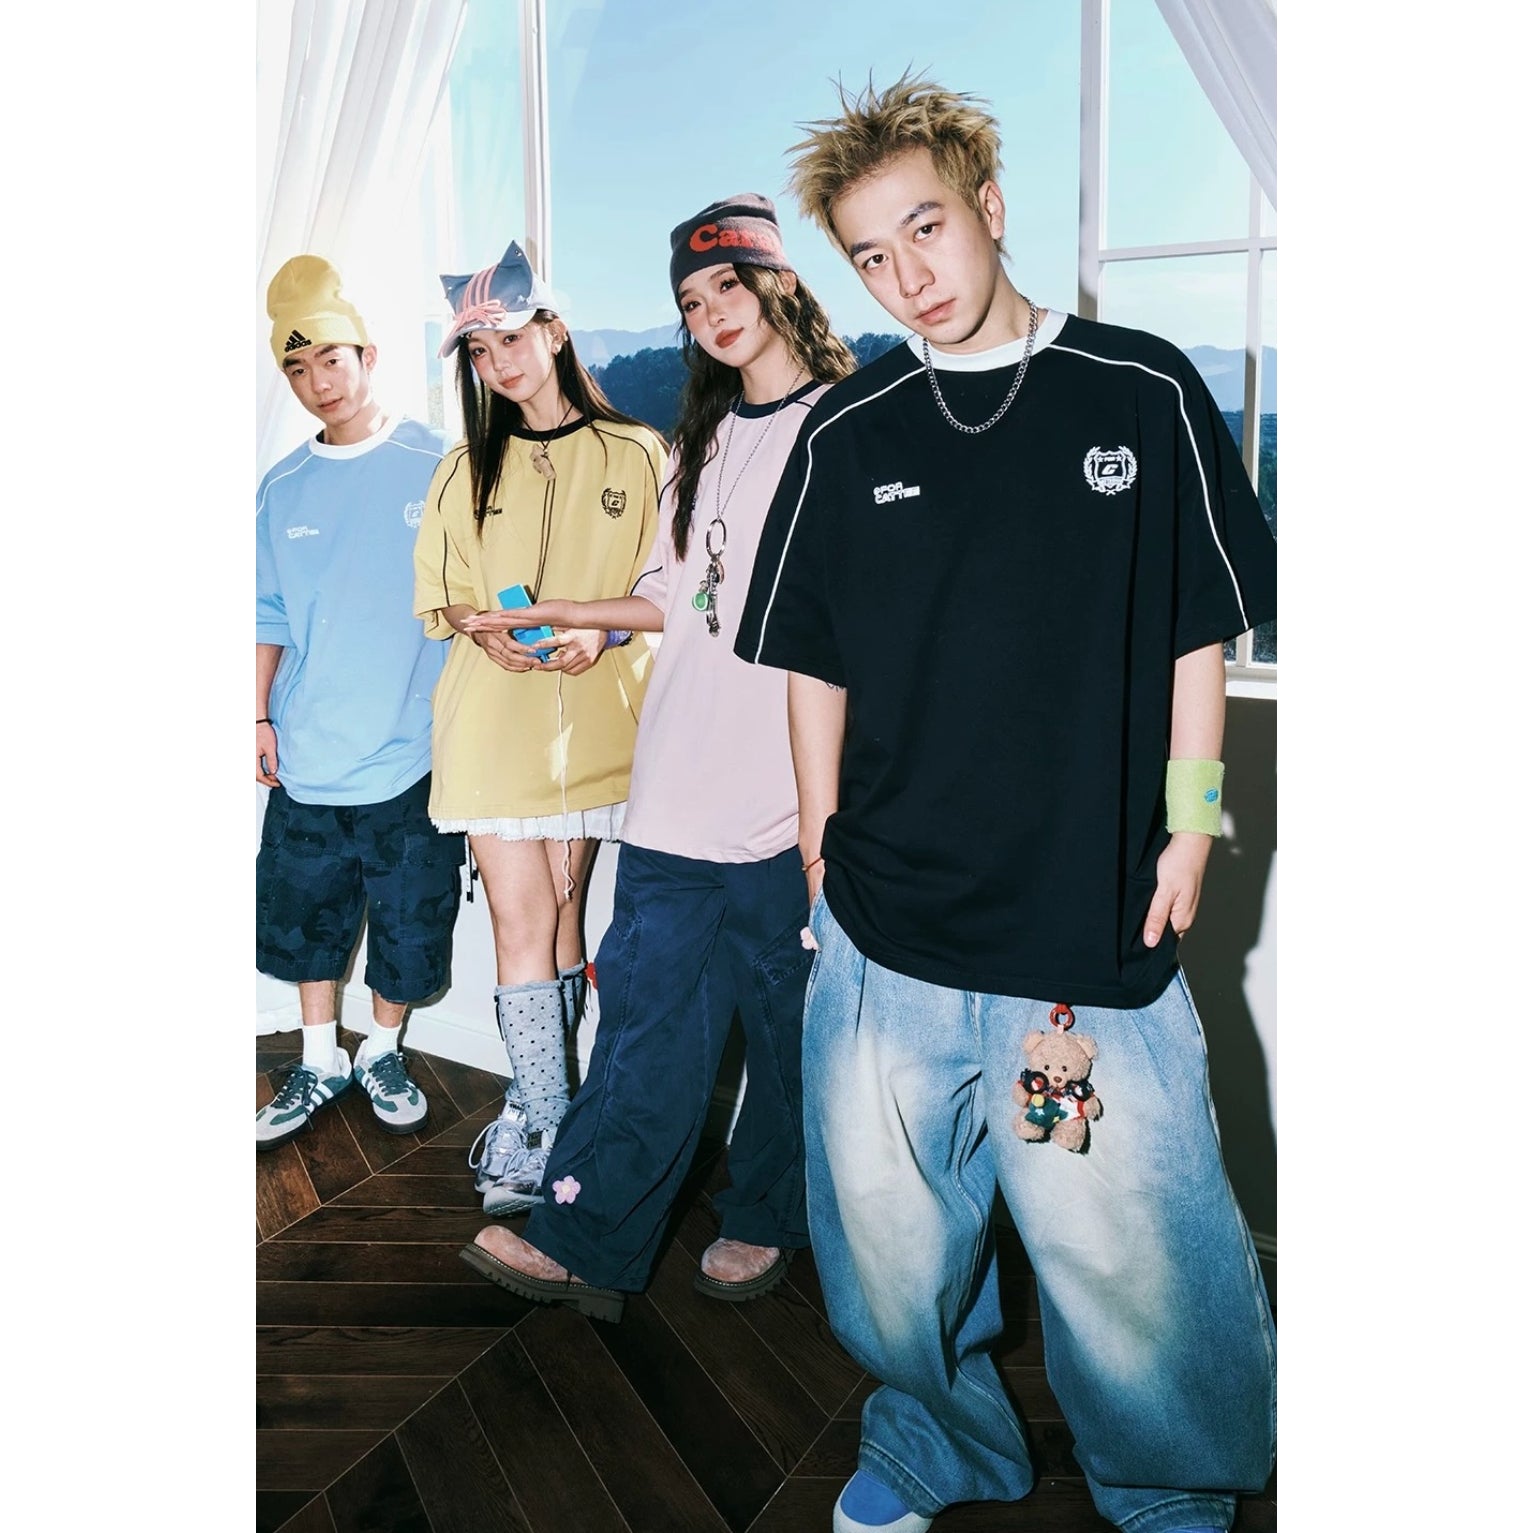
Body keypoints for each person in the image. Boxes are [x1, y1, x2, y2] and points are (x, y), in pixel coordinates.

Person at [733, 77, 1278, 1533]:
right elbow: (813, 662)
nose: (909, 274)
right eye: (872, 255)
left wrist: (1191, 821)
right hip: (885, 932)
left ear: (987, 204)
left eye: (926, 227)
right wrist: (818, 840)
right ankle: (936, 1446)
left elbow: (1198, 629)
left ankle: (1167, 1488)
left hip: (1085, 928)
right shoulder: (848, 432)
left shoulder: (1140, 389)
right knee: (890, 1250)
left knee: (1137, 1252)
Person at [453, 195, 858, 1322]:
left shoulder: (851, 429)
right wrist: (577, 617)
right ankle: (584, 1236)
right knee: (643, 1030)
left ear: (780, 283)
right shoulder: (702, 442)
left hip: (792, 805)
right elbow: (671, 594)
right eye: (690, 300)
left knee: (789, 1039)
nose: (711, 311)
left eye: (728, 284)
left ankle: (767, 1214)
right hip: (674, 790)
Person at [413, 240, 667, 1214]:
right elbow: (442, 595)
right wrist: (484, 629)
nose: (497, 363)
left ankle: (544, 1109)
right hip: (489, 724)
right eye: (479, 352)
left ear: (554, 332)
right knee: (521, 921)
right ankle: (546, 1125)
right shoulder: (459, 470)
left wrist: (601, 634)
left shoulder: (640, 453)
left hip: (596, 727)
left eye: (510, 339)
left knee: (562, 918)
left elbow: (666, 591)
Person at [255, 255, 462, 1150]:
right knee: (306, 921)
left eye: (331, 360)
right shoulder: (281, 488)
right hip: (309, 752)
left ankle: (380, 1049)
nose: (319, 382)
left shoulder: (438, 462)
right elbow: (265, 614)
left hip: (412, 753)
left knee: (410, 925)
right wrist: (256, 716)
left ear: (368, 357)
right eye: (298, 368)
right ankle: (318, 1057)